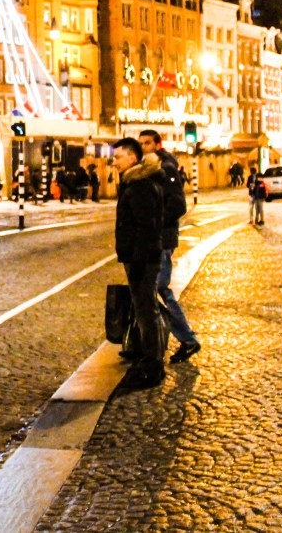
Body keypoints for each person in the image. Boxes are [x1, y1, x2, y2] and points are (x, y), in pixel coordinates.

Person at [139, 129, 200, 364]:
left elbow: (178, 205)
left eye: (147, 143)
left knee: (159, 288)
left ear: (157, 144)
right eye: (141, 143)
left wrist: (155, 221)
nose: (144, 147)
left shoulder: (166, 169)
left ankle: (186, 339)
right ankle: (148, 340)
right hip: (154, 238)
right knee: (152, 288)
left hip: (162, 238)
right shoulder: (151, 167)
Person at [112, 137, 166, 389]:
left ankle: (153, 365)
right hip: (137, 257)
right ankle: (149, 358)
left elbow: (147, 228)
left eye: (118, 157)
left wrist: (139, 262)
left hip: (141, 259)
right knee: (145, 308)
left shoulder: (140, 186)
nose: (114, 162)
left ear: (132, 159)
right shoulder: (133, 183)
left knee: (146, 310)